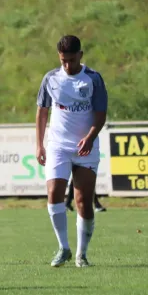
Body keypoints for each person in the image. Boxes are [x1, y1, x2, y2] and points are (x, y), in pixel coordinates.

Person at [36, 35, 108, 268]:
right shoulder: (51, 78)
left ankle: (81, 254)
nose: (67, 65)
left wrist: (90, 137)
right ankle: (63, 247)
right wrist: (39, 143)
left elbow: (100, 114)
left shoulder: (93, 79)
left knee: (83, 201)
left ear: (81, 55)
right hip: (58, 146)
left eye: (71, 60)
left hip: (85, 146)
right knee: (54, 192)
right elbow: (42, 112)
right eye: (63, 60)